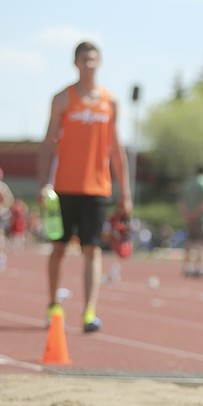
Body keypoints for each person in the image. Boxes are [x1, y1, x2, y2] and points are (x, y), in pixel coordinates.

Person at [37, 41, 132, 333]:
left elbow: (116, 150)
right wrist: (44, 185)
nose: (88, 65)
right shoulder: (62, 99)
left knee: (93, 249)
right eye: (83, 60)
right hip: (64, 187)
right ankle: (54, 304)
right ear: (75, 63)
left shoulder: (110, 102)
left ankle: (89, 311)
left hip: (98, 188)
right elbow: (47, 144)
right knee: (58, 248)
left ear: (99, 63)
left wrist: (124, 193)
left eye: (93, 60)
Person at [178, 164, 203, 278]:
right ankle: (199, 268)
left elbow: (181, 201)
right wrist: (195, 213)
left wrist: (188, 214)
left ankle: (187, 267)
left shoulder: (187, 183)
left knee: (190, 242)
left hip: (189, 217)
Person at [0, 167, 14, 271]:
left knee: (0, 235)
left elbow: (9, 200)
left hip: (1, 214)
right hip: (3, 213)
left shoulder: (3, 188)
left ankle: (1, 256)